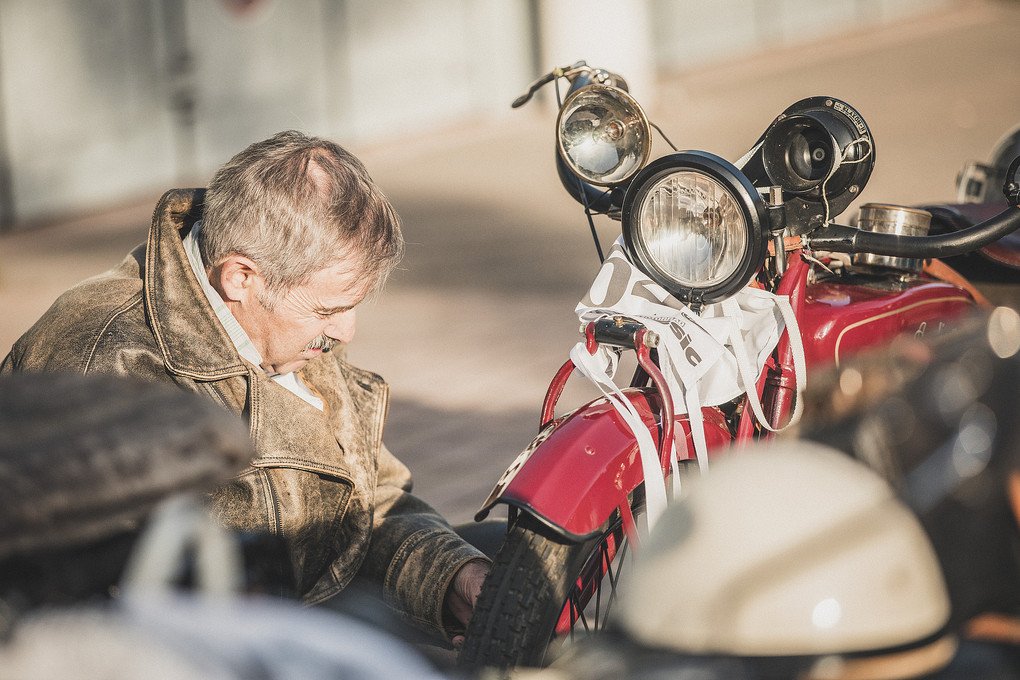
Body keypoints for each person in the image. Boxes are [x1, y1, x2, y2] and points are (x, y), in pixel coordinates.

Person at [0, 130, 490, 643]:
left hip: (301, 625)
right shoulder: (105, 359)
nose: (346, 332)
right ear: (240, 277)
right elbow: (120, 618)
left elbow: (373, 500)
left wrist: (450, 578)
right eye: (329, 310)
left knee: (499, 565)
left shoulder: (282, 329)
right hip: (207, 652)